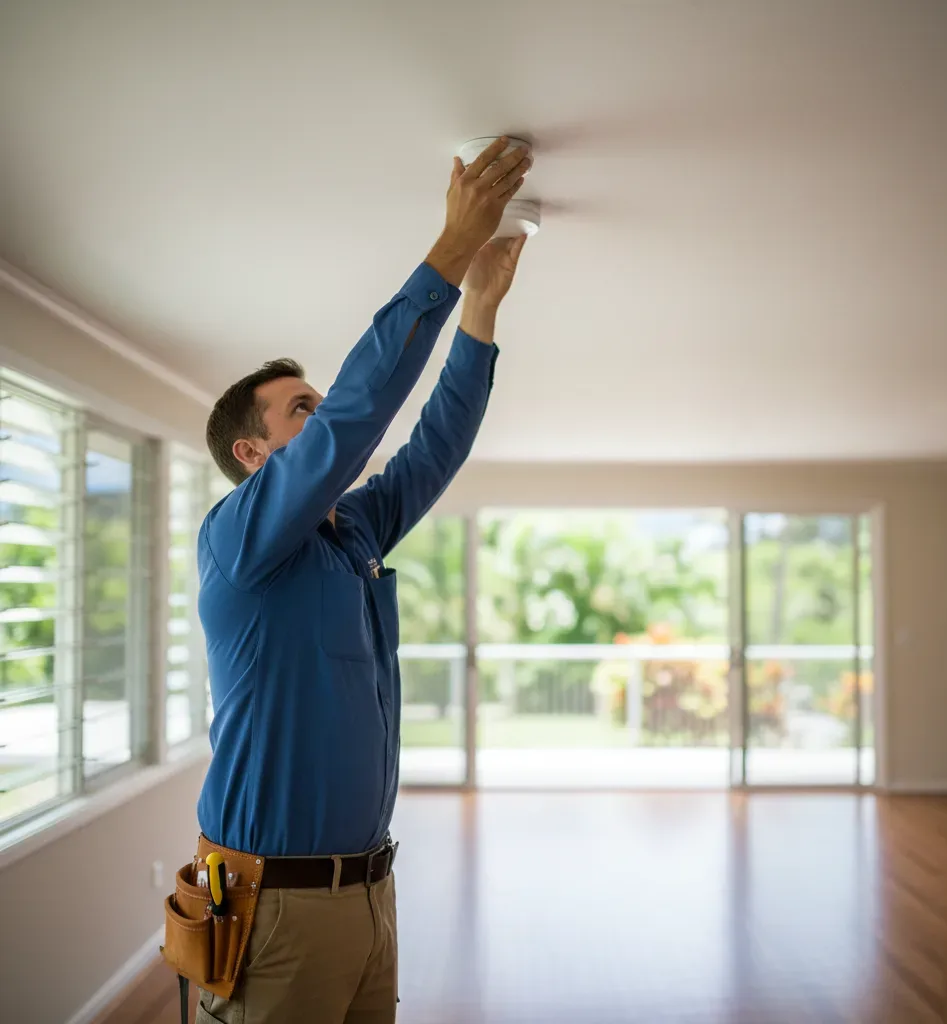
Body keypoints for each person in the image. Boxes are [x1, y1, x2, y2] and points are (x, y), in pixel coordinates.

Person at [193, 137, 531, 1024]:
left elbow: (434, 448)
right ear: (253, 453)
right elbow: (359, 415)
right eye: (299, 408)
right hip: (271, 910)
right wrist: (450, 250)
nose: (325, 414)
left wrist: (480, 314)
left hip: (372, 893)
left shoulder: (353, 534)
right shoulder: (239, 542)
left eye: (315, 400)